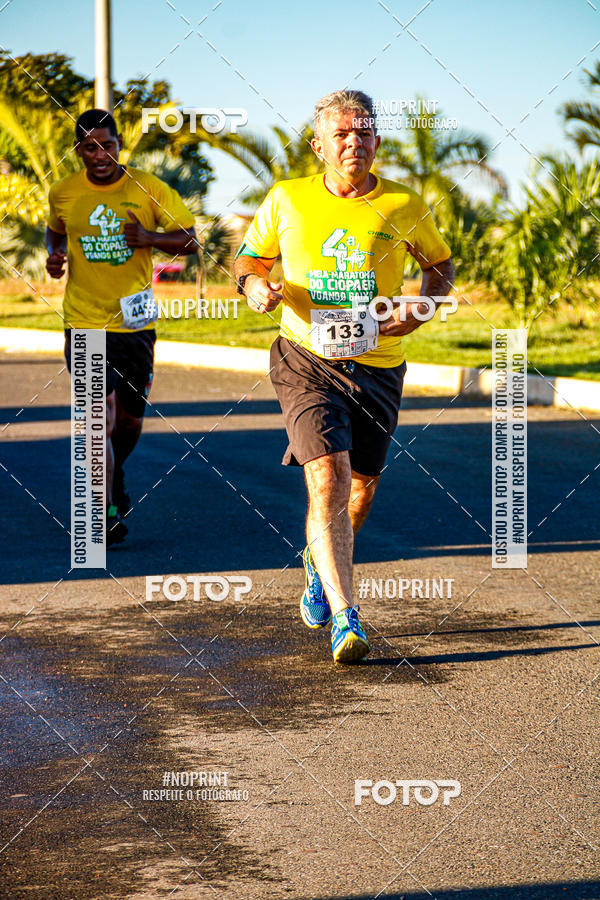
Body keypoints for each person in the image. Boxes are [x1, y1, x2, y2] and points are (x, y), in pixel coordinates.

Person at [233, 90, 454, 664]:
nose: (354, 142)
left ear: (377, 141)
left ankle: (316, 561)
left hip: (377, 365)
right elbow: (249, 259)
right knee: (328, 475)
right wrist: (256, 287)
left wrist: (421, 309)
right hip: (305, 358)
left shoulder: (406, 204)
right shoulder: (287, 199)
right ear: (319, 146)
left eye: (364, 133)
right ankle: (345, 615)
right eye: (341, 134)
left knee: (361, 486)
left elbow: (439, 267)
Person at [46, 109, 198, 545]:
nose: (99, 154)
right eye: (90, 146)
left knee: (129, 421)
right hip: (84, 320)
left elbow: (189, 238)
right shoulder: (64, 192)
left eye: (107, 145)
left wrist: (149, 239)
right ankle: (104, 510)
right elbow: (55, 230)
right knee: (99, 419)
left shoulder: (147, 188)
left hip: (134, 324)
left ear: (118, 145)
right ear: (79, 150)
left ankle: (117, 473)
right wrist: (55, 257)